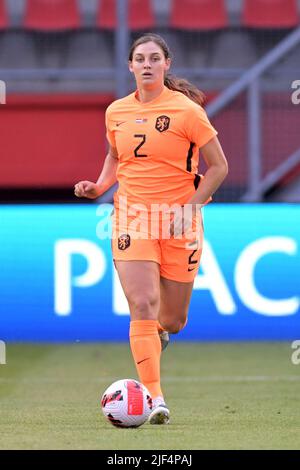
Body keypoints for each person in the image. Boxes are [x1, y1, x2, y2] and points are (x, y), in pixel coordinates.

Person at [74, 33, 228, 425]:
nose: (146, 64)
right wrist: (99, 185)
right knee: (141, 303)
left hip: (180, 220)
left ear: (166, 64)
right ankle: (155, 399)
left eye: (153, 58)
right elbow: (114, 156)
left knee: (173, 320)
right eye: (139, 58)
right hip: (132, 216)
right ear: (130, 66)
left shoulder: (187, 111)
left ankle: (157, 335)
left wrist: (189, 209)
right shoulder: (116, 112)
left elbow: (219, 167)